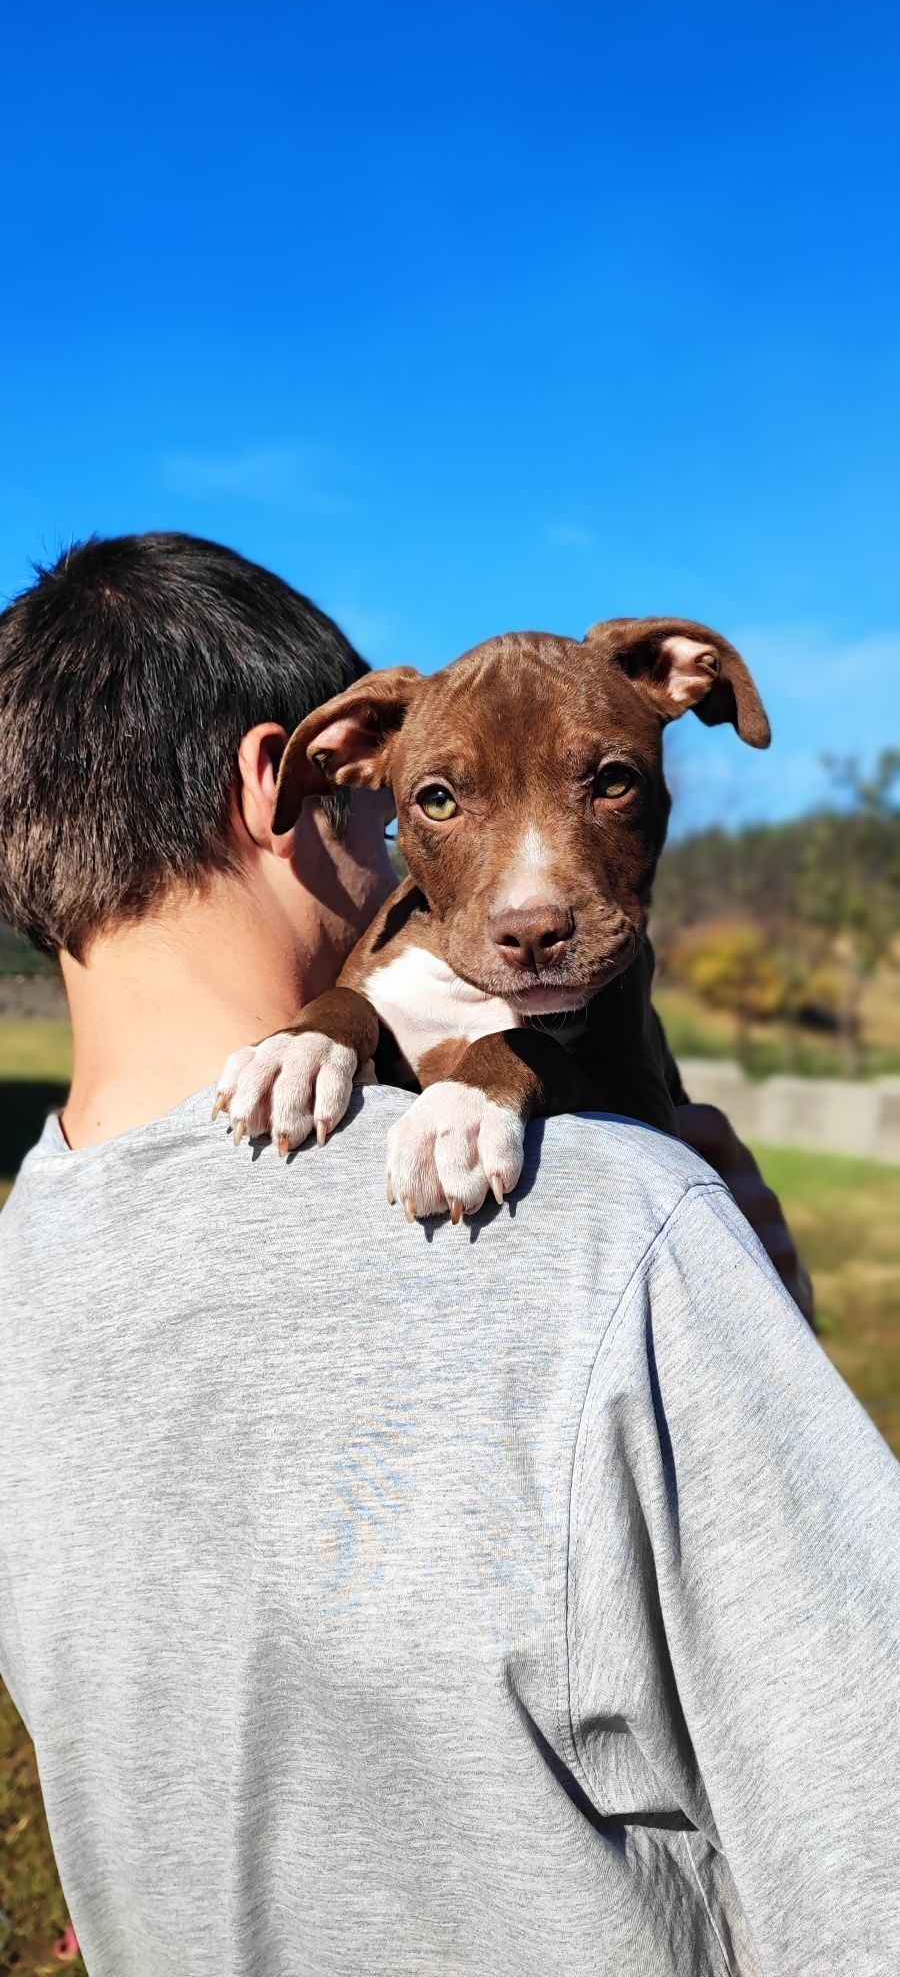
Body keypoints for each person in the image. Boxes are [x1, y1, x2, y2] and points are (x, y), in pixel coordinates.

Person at [0, 534, 896, 1977]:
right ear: (280, 783)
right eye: (402, 819)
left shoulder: (18, 1270)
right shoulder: (610, 1236)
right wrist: (732, 1309)